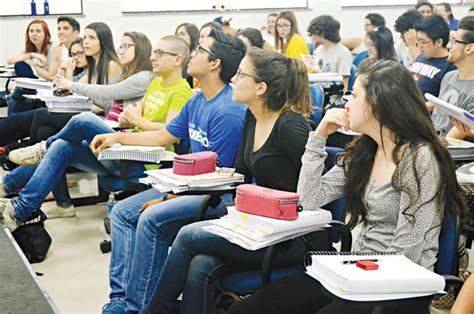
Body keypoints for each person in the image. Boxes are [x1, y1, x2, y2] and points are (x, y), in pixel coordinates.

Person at [227, 59, 466, 314]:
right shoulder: (363, 152)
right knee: (245, 310)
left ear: (378, 104)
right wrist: (318, 136)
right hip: (355, 271)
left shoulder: (419, 157)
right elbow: (308, 200)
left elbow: (409, 251)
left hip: (397, 286)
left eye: (354, 94)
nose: (346, 102)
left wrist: (352, 275)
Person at [142, 47, 312, 314]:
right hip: (259, 223)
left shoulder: (290, 127)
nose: (233, 79)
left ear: (260, 89)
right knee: (201, 265)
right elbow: (240, 177)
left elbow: (320, 188)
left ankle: (152, 312)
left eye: (241, 74)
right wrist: (190, 181)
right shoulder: (252, 118)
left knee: (187, 236)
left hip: (290, 236)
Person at [98, 29, 247, 313]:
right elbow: (162, 135)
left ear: (215, 64)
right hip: (190, 187)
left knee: (152, 218)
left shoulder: (227, 112)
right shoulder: (198, 99)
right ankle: (120, 299)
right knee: (122, 213)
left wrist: (166, 199)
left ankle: (137, 307)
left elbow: (219, 180)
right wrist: (118, 137)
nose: (193, 55)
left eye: (201, 51)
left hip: (219, 197)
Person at [0, 35, 192, 223]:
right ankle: (18, 206)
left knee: (83, 119)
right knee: (61, 146)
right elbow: (136, 111)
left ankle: (41, 149)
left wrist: (136, 121)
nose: (153, 57)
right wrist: (129, 118)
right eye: (154, 52)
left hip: (145, 163)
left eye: (159, 53)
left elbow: (169, 133)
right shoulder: (156, 82)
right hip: (127, 149)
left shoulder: (181, 91)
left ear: (177, 59)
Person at [431, 16, 474, 138]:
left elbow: (453, 138)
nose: (448, 46)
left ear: (469, 48)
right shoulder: (449, 77)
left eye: (454, 41)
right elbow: (436, 118)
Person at [411, 15, 457, 97]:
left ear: (439, 42)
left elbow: (445, 100)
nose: (420, 46)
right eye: (418, 41)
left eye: (423, 42)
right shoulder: (421, 56)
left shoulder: (451, 66)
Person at [307, 15, 352, 88]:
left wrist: (319, 73)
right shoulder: (319, 50)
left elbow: (344, 85)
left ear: (321, 34)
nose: (311, 36)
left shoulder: (343, 53)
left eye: (313, 33)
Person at [175, 22, 199, 88]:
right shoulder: (174, 57)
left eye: (182, 34)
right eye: (177, 35)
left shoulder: (196, 58)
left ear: (192, 37)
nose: (179, 37)